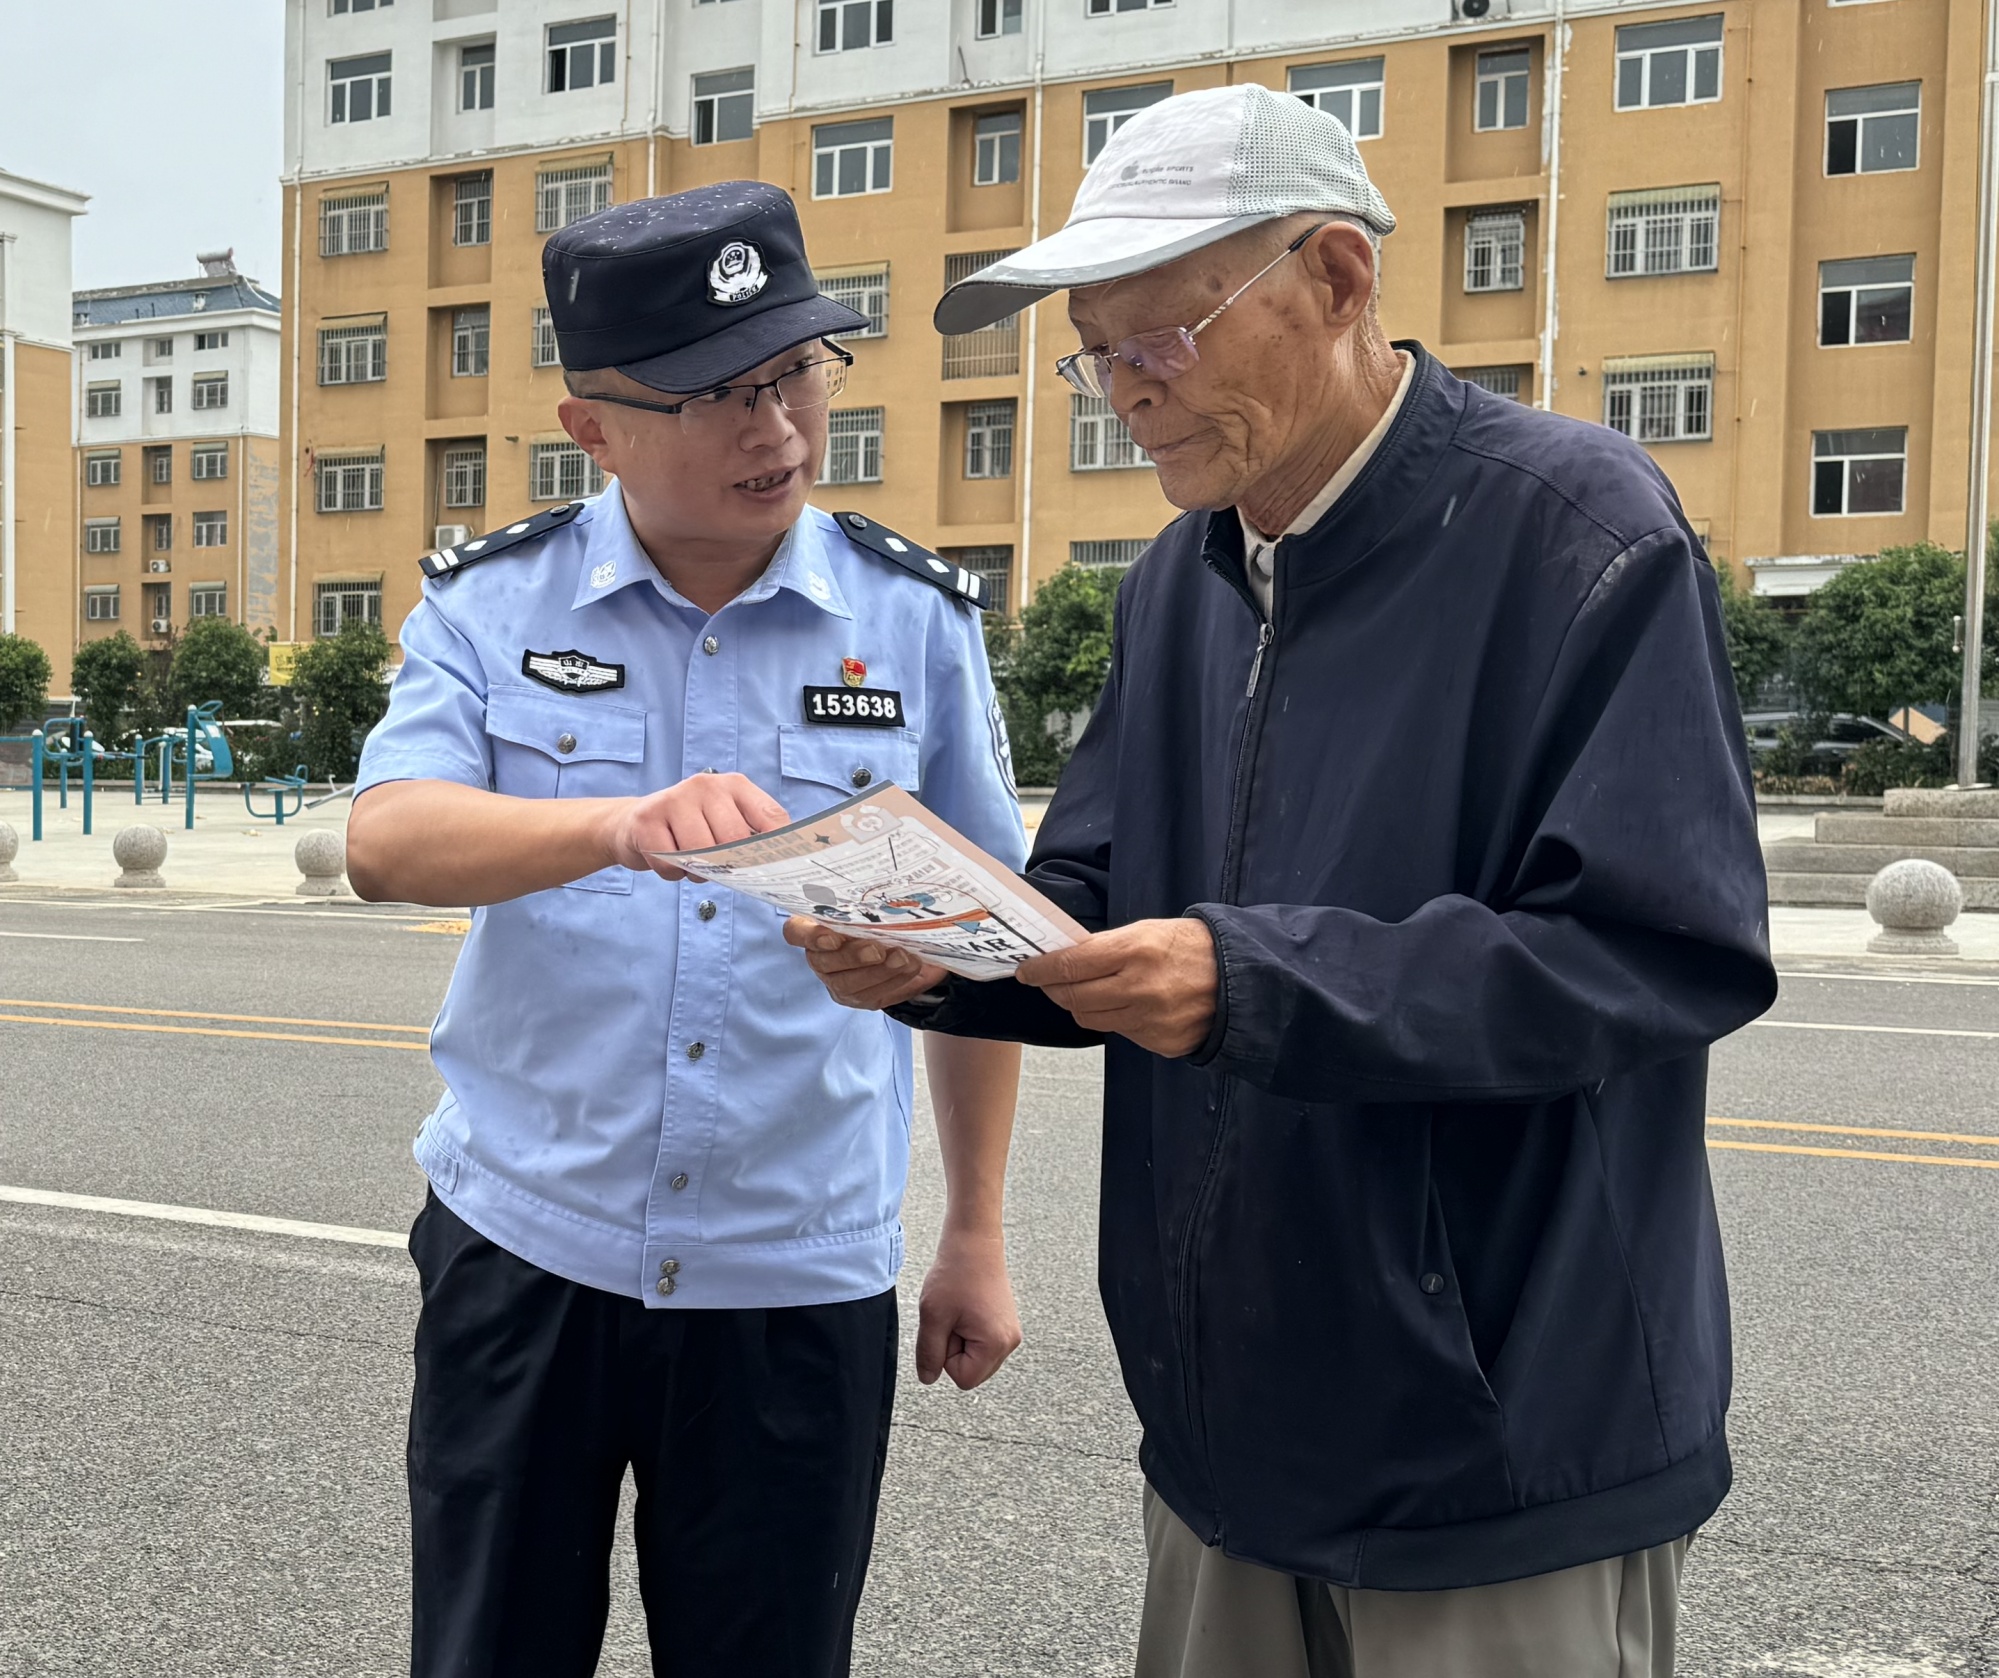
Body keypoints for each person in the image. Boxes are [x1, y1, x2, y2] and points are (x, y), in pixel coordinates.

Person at [789, 85, 1777, 1678]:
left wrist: (1252, 981)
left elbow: (1655, 951)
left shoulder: (1580, 534)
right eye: (1093, 349)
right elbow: (1103, 893)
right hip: (1227, 1427)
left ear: (1335, 278)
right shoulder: (1180, 578)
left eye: (1161, 335)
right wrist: (939, 952)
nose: (1122, 388)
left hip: (1492, 1440)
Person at [344, 181, 1027, 1678]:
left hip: (795, 1271)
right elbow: (385, 841)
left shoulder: (914, 620)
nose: (775, 428)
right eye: (717, 394)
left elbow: (984, 948)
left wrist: (974, 1227)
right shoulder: (494, 600)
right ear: (594, 428)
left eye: (794, 371)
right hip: (530, 1249)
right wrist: (610, 822)